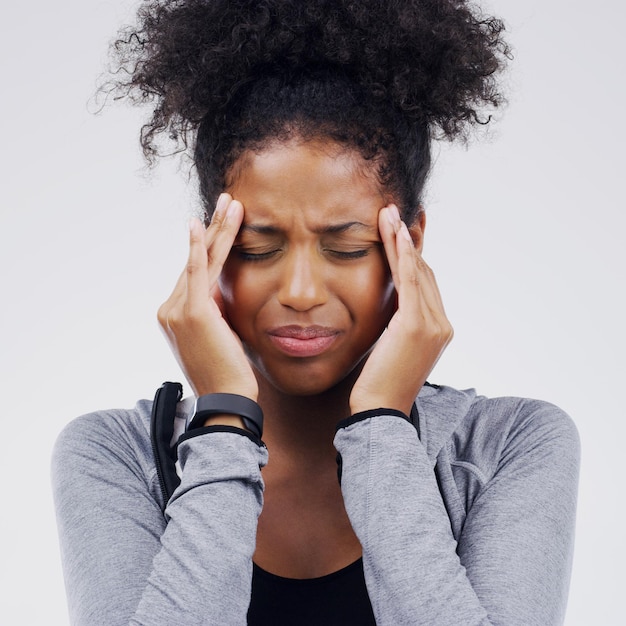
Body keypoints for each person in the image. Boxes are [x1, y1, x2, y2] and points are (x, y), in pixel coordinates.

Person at [51, 1, 580, 624]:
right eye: (258, 247)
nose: (301, 289)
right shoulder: (115, 456)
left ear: (410, 243)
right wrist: (224, 421)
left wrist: (382, 426)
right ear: (208, 252)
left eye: (346, 247)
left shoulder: (510, 448)